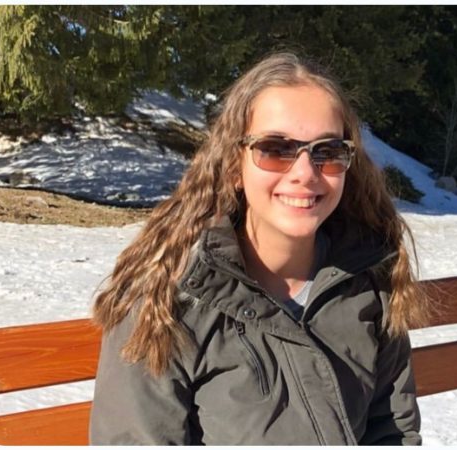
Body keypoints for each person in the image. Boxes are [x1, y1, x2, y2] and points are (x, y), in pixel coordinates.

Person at [88, 52, 429, 445]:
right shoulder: (166, 304)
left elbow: (392, 432)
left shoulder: (369, 281)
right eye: (275, 148)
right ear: (234, 166)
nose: (304, 173)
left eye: (328, 152)